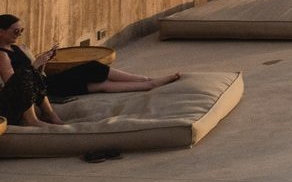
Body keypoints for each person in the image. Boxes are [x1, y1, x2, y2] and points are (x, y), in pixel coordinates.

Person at [1, 14, 176, 127]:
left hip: (40, 82)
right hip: (30, 89)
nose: (19, 34)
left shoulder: (18, 48)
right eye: (16, 31)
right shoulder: (2, 55)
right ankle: (147, 81)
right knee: (92, 69)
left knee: (97, 84)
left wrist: (43, 62)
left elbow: (35, 73)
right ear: (1, 32)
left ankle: (147, 82)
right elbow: (13, 83)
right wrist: (34, 66)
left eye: (21, 30)